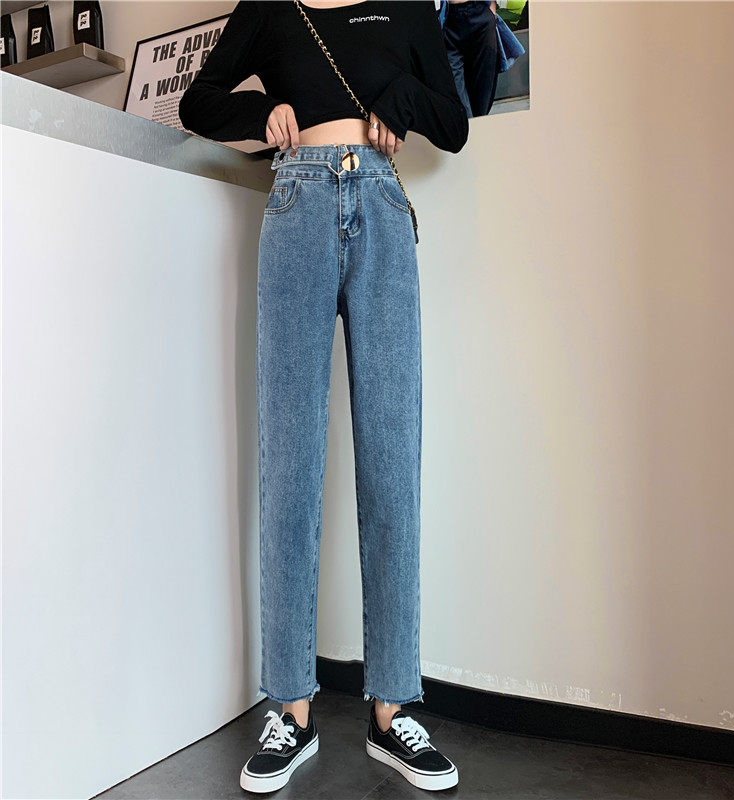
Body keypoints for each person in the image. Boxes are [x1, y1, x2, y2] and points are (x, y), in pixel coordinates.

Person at [178, 0, 468, 793]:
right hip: (296, 206)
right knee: (290, 464)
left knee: (392, 460)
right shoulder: (271, 7)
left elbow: (452, 122)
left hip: (381, 205)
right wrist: (261, 114)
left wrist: (396, 102)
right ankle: (292, 710)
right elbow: (198, 100)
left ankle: (392, 709)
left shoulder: (404, 7)